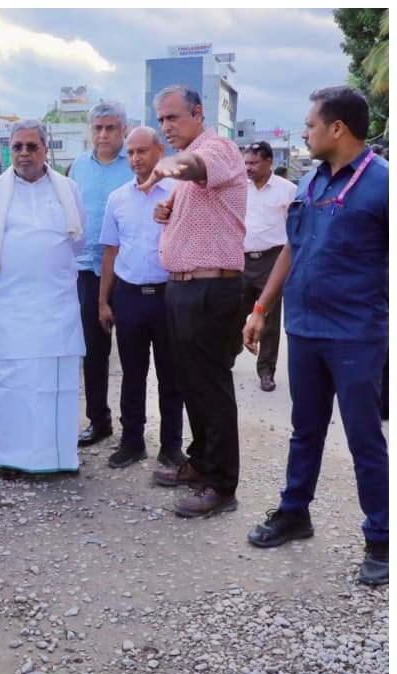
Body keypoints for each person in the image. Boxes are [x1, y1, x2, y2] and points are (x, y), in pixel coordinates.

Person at [242, 86, 388, 586]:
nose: (304, 132)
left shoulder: (383, 186)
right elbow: (291, 248)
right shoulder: (308, 183)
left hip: (356, 336)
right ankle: (295, 512)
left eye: (309, 125)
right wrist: (262, 308)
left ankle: (381, 540)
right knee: (305, 430)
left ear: (337, 129)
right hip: (303, 330)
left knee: (365, 438)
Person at [143, 85, 247, 518]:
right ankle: (201, 464)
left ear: (198, 113)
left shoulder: (217, 148)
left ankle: (222, 486)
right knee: (191, 384)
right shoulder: (189, 166)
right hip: (183, 288)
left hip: (211, 289)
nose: (167, 127)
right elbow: (190, 203)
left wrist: (161, 168)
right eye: (161, 119)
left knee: (212, 387)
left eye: (173, 118)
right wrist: (165, 214)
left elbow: (191, 168)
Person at [0, 119, 86, 477]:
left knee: (57, 383)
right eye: (17, 146)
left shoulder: (67, 188)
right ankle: (12, 458)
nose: (23, 153)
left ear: (45, 150)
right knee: (14, 383)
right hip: (11, 304)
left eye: (31, 146)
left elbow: (78, 240)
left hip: (56, 303)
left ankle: (58, 458)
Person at [96, 127, 184, 471]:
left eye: (142, 151)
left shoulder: (179, 192)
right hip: (129, 296)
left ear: (159, 151)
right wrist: (104, 301)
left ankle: (171, 447)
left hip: (168, 295)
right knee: (132, 374)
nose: (136, 159)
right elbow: (111, 252)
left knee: (170, 376)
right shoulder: (118, 198)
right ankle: (132, 442)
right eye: (131, 153)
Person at [68, 101, 134, 448]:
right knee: (93, 351)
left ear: (123, 129)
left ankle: (133, 429)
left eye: (110, 128)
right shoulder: (78, 166)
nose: (104, 134)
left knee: (133, 352)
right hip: (86, 271)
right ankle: (99, 420)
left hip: (129, 271)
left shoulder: (136, 163)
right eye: (98, 128)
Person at [240, 140, 297, 392]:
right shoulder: (240, 188)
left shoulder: (287, 190)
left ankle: (266, 371)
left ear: (269, 162)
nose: (248, 167)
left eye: (253, 162)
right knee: (232, 311)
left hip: (272, 261)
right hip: (241, 260)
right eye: (246, 162)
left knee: (269, 317)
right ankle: (228, 354)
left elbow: (295, 230)